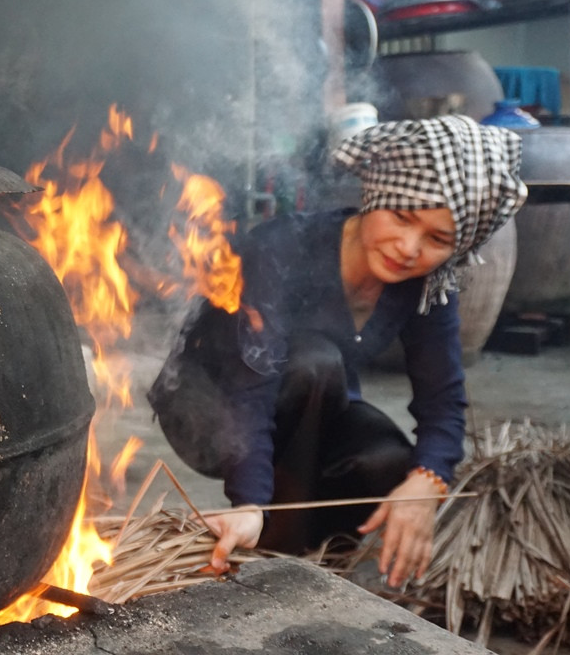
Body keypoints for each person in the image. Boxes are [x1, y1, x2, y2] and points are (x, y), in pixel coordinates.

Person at [147, 114, 527, 588]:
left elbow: (443, 400)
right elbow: (254, 385)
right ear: (375, 197)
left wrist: (428, 482)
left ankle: (308, 559)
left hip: (309, 406)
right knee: (315, 362)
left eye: (437, 239)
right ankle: (275, 553)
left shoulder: (429, 285)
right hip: (210, 405)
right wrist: (248, 503)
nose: (408, 248)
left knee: (388, 465)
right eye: (402, 217)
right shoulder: (283, 246)